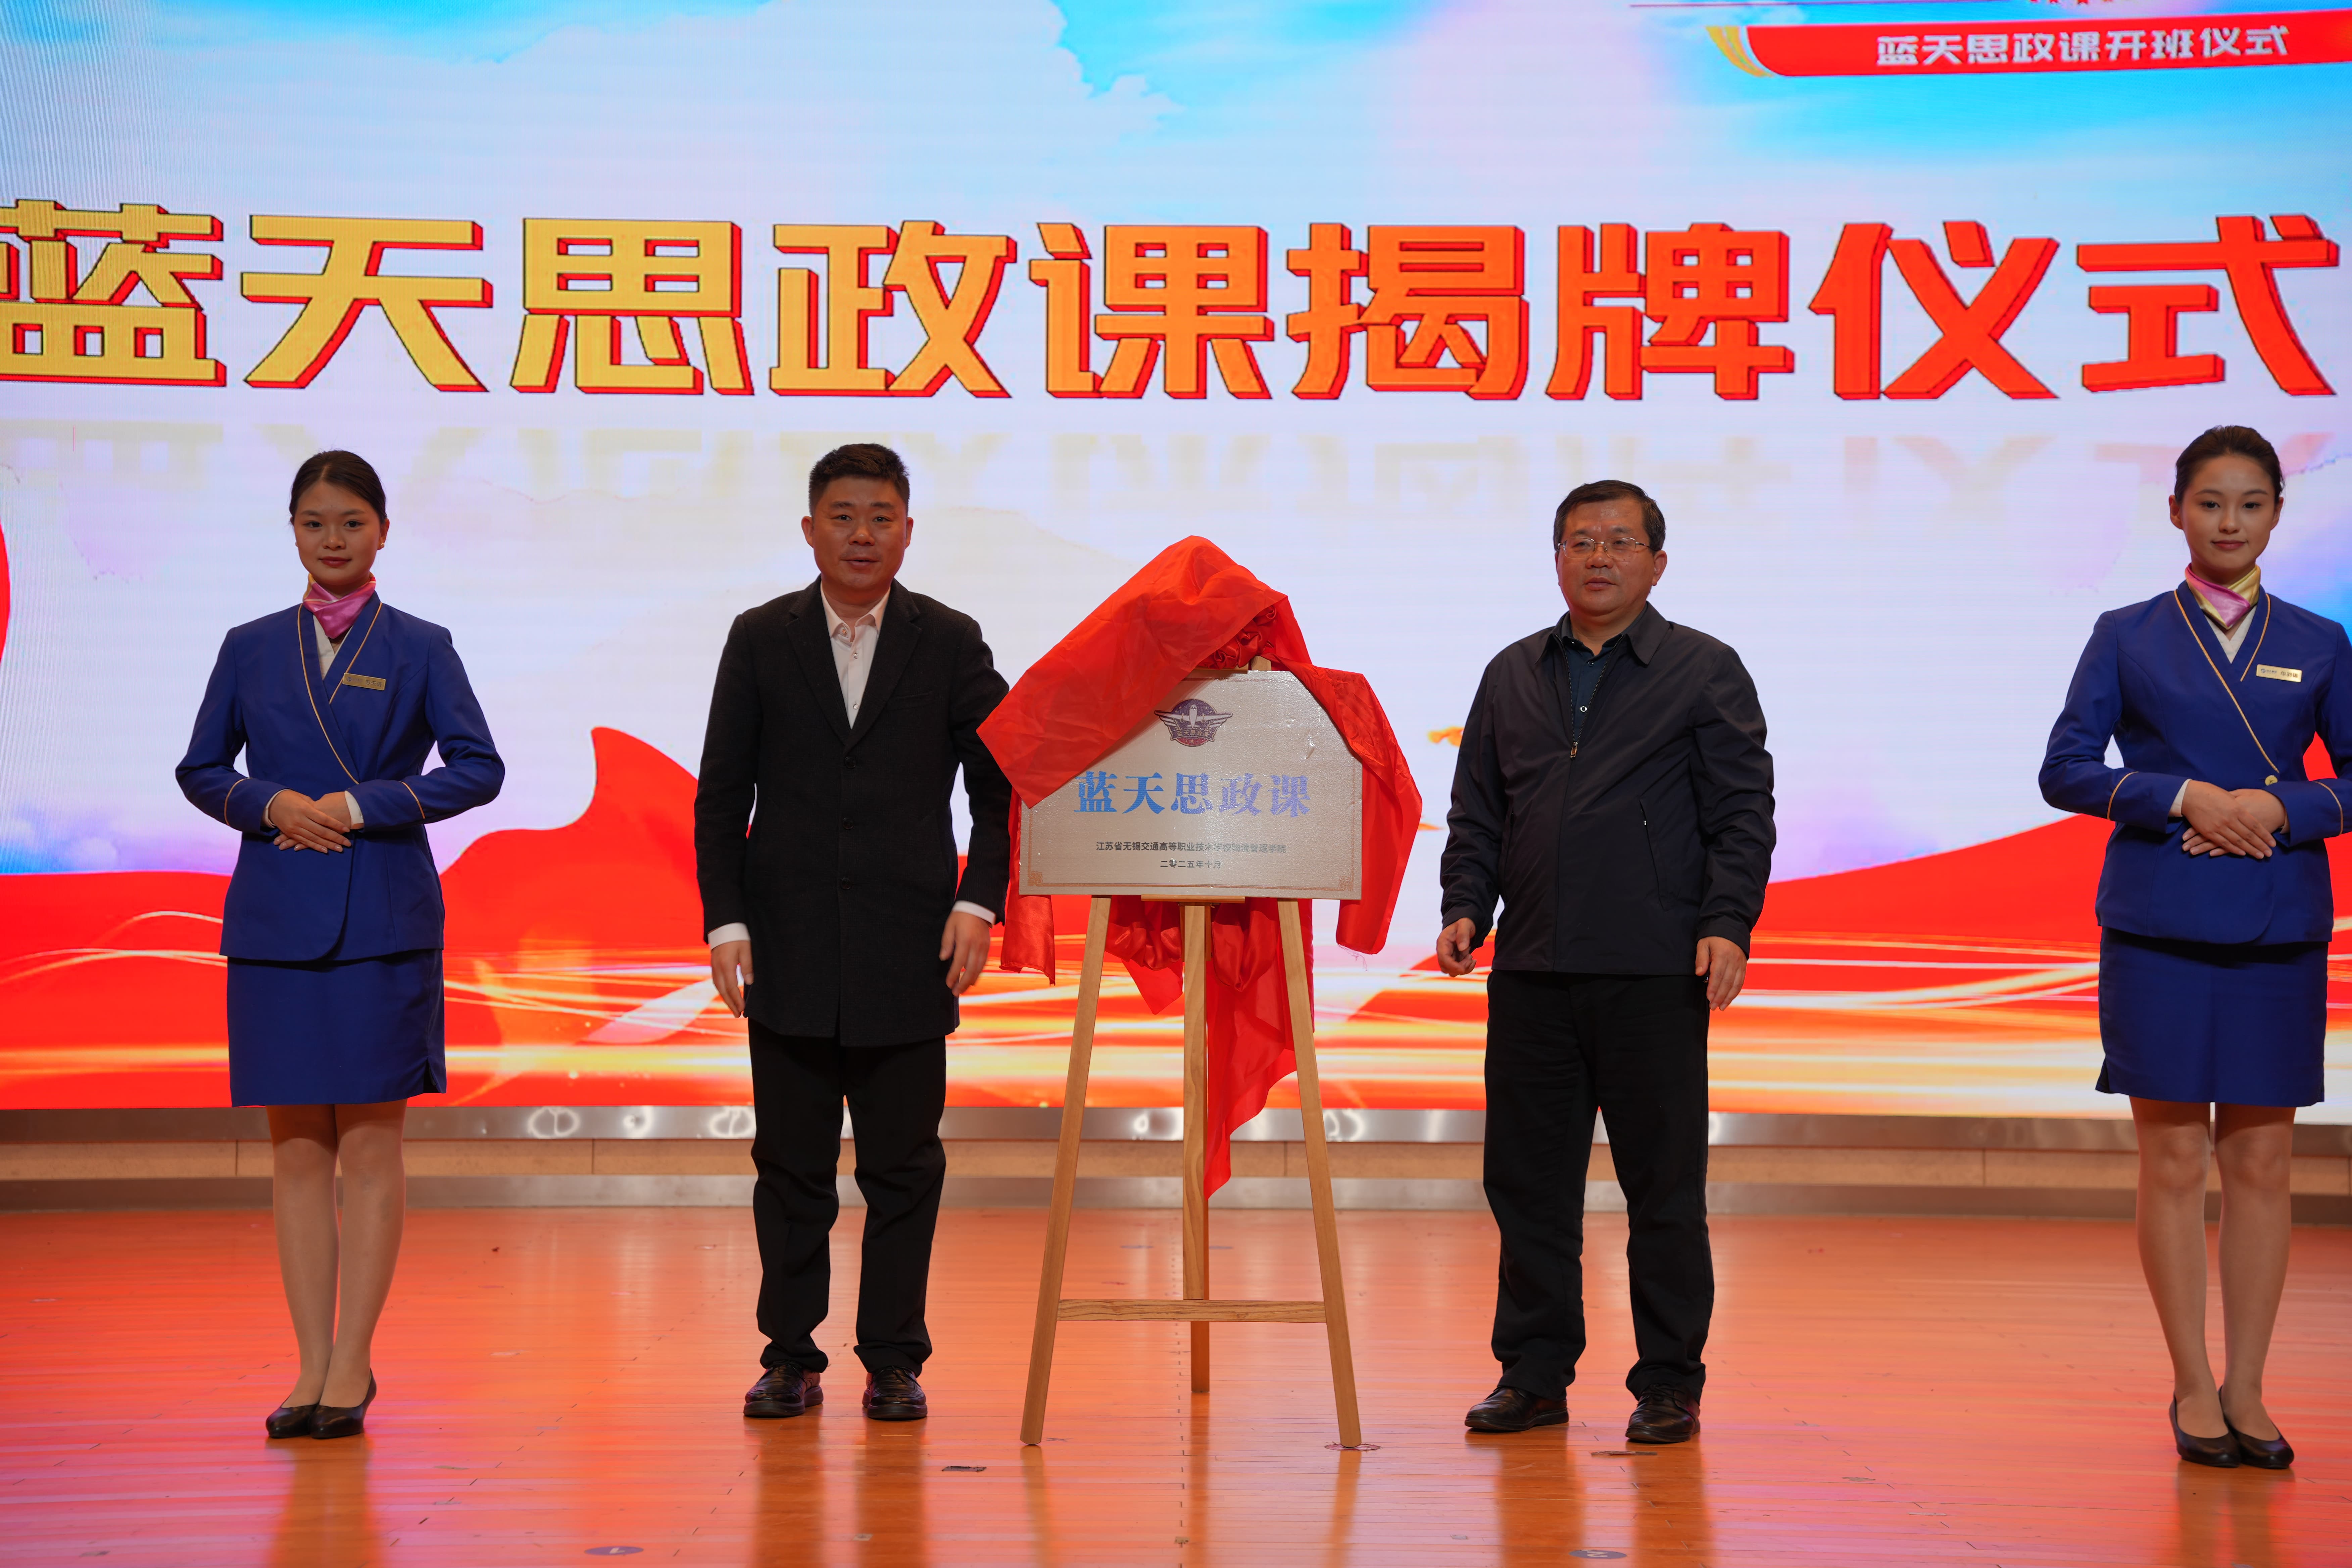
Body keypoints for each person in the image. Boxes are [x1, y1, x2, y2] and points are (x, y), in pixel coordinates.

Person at [1436, 478, 1774, 1443]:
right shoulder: (1512, 672)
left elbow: (1742, 813)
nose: (1599, 557)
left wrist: (1727, 922)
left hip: (1653, 970)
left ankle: (1668, 1382)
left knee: (1662, 1189)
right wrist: (1466, 905)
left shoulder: (1704, 669)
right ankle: (1533, 1376)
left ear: (1657, 564)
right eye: (1581, 541)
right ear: (1556, 560)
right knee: (1528, 1189)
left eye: (1621, 541)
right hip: (1534, 970)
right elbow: (1479, 811)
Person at [176, 450, 504, 1440]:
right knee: (295, 1152)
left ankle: (352, 1364)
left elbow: (479, 768)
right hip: (276, 915)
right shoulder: (249, 646)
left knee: (368, 1145)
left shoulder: (422, 645)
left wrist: (363, 807)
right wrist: (268, 802)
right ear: (292, 530)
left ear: (383, 532)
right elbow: (200, 768)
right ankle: (309, 1365)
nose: (333, 539)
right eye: (315, 522)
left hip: (381, 914)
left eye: (352, 522)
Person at [2040, 425, 2342, 1470]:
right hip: (2158, 920)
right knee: (2171, 1158)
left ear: (2276, 514)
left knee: (2262, 1159)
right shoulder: (2126, 634)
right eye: (2210, 503)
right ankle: (2192, 1383)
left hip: (2276, 918)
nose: (2229, 522)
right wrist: (2182, 798)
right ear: (2175, 511)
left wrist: (2278, 809)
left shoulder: (2320, 640)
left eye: (2251, 503)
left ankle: (2250, 1385)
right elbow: (2066, 769)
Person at [694, 442, 1013, 1423]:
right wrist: (726, 918)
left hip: (910, 948)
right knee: (791, 1167)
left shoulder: (950, 640)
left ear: (908, 532)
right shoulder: (761, 637)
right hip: (786, 945)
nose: (861, 535)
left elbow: (1000, 786)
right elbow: (722, 794)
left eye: (880, 518)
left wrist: (978, 902)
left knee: (903, 1170)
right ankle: (790, 1356)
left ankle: (895, 1360)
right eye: (843, 516)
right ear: (810, 529)